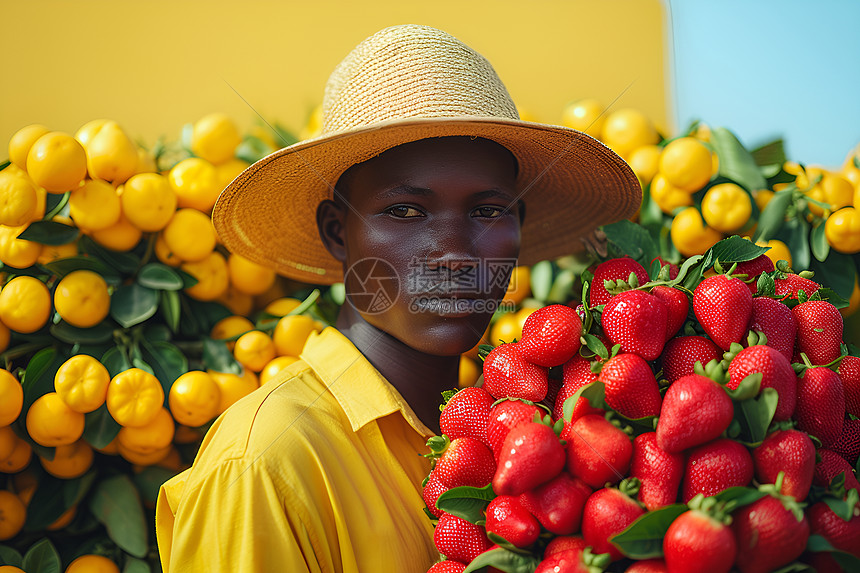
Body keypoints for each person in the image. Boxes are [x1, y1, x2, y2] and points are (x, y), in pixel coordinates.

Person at [155, 24, 640, 571]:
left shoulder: (522, 433)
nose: (455, 254)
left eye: (487, 211)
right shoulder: (265, 462)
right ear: (338, 232)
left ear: (519, 229)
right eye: (405, 211)